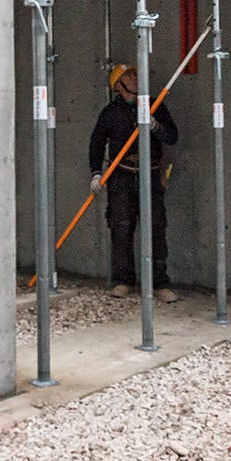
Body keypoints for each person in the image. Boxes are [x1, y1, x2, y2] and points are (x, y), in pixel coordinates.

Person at [88, 63, 179, 303]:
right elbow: (96, 143)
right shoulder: (110, 112)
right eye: (129, 76)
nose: (135, 79)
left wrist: (155, 125)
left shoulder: (154, 105)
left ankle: (159, 284)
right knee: (121, 227)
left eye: (135, 75)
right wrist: (96, 174)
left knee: (156, 228)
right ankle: (124, 281)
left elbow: (172, 136)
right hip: (121, 176)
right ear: (119, 85)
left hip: (150, 174)